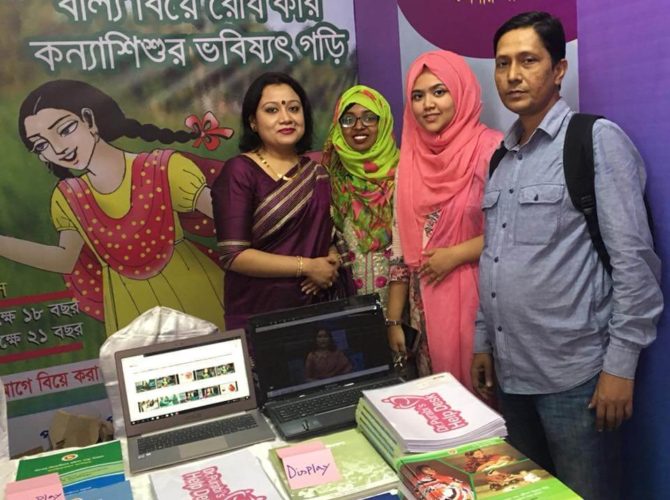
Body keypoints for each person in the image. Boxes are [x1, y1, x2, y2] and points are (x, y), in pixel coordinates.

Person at [470, 11, 663, 500]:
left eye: (528, 61)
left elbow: (635, 265)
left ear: (558, 70)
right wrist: (481, 339)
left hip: (576, 380)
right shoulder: (501, 156)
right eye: (502, 63)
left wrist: (620, 367)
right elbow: (495, 258)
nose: (512, 75)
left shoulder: (594, 140)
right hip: (511, 375)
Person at [4, 80, 229, 335]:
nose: (58, 148)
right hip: (130, 310)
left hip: (195, 295)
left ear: (88, 119)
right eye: (42, 145)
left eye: (65, 129)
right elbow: (64, 259)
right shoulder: (68, 197)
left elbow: (229, 218)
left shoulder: (163, 168)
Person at [386, 51, 503, 382]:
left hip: (482, 304)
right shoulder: (408, 162)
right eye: (418, 96)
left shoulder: (493, 150)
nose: (428, 105)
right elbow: (400, 246)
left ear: (461, 91)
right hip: (424, 307)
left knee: (485, 403)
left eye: (439, 91)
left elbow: (514, 230)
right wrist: (394, 320)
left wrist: (455, 254)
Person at [212, 72, 340, 329]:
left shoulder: (317, 173)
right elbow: (233, 255)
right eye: (272, 110)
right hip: (260, 313)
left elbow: (330, 239)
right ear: (253, 122)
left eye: (294, 109)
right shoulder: (240, 172)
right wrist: (307, 267)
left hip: (318, 309)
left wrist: (329, 263)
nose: (286, 118)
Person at [321, 85, 399, 309]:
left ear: (383, 122)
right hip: (347, 302)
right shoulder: (327, 175)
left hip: (401, 303)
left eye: (369, 118)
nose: (358, 126)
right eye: (348, 119)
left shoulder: (407, 170)